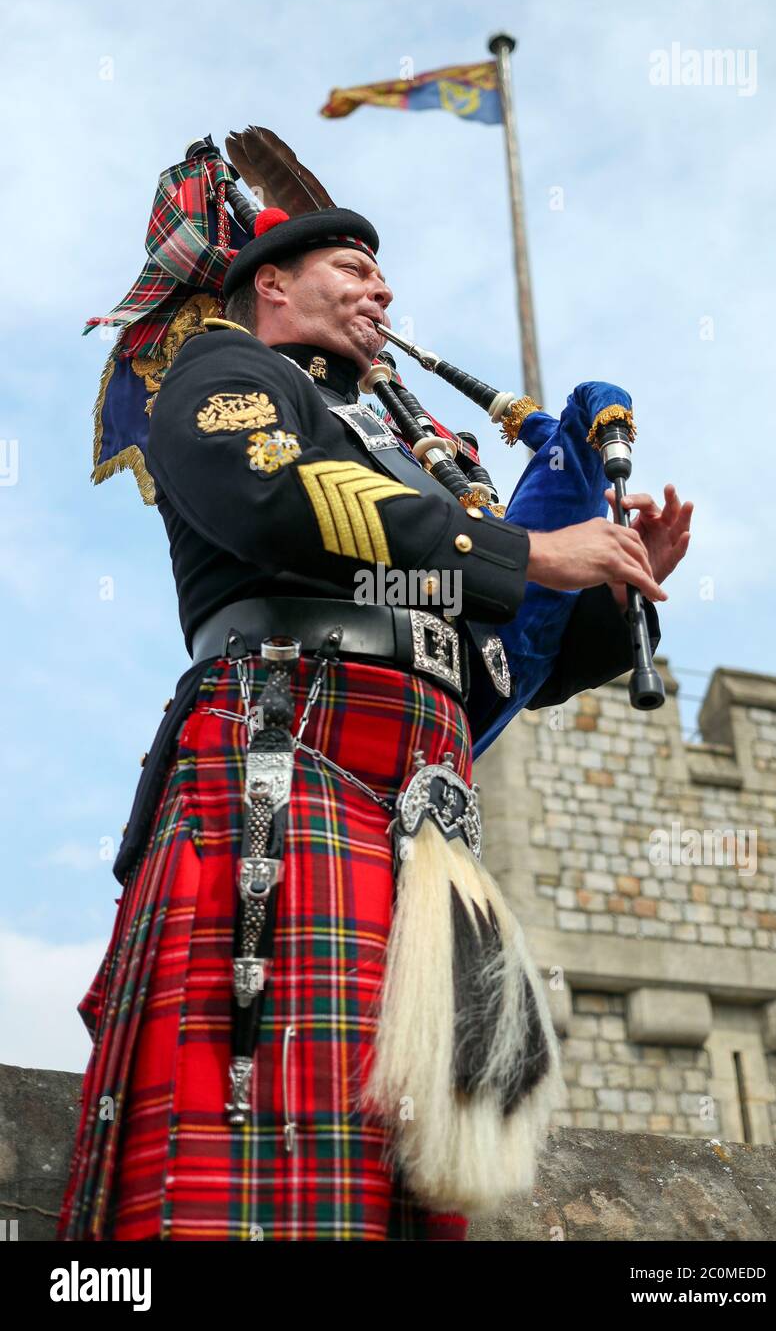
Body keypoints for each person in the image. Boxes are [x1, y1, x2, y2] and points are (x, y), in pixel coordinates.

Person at [57, 205, 691, 1242]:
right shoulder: (225, 372)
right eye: (352, 266)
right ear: (271, 283)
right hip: (288, 751)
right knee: (262, 1106)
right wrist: (530, 553)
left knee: (398, 1143)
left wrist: (607, 596)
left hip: (422, 806)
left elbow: (487, 651)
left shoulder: (406, 447)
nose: (382, 288)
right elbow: (276, 496)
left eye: (382, 275)